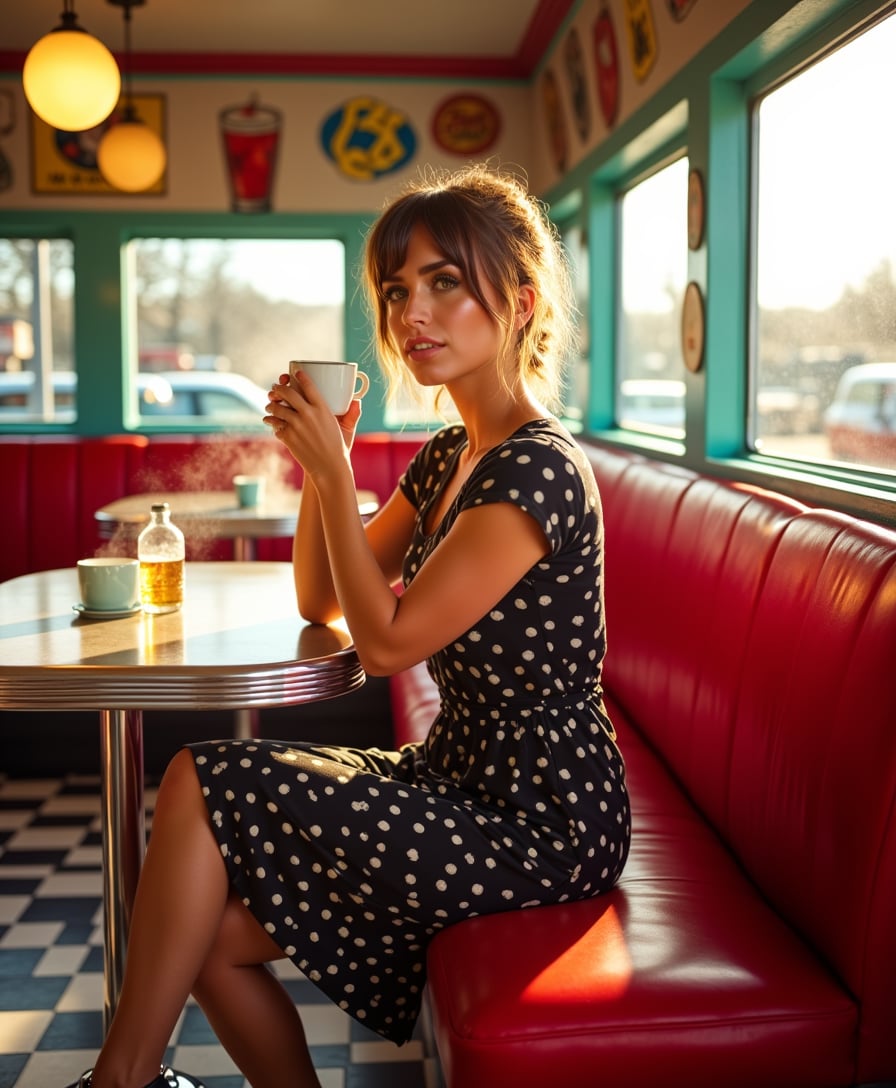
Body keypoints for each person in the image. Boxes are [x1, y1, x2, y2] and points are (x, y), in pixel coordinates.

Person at [65, 163, 630, 1088]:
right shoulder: (453, 452)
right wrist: (318, 460)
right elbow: (323, 599)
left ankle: (117, 1081)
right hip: (460, 774)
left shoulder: (536, 473)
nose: (414, 313)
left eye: (446, 282)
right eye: (399, 290)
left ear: (521, 302)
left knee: (200, 775)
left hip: (541, 816)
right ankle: (124, 1078)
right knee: (204, 937)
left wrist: (335, 476)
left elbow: (385, 645)